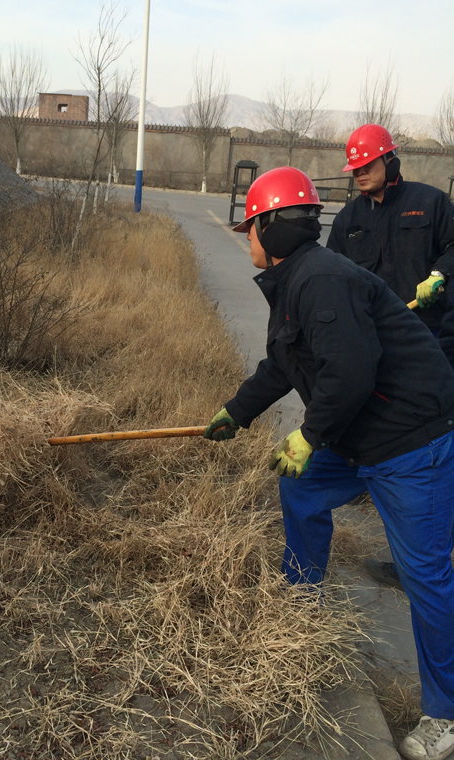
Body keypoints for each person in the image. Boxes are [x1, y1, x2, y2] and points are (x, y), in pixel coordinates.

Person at [205, 166, 454, 760]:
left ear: (273, 226)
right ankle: (301, 603)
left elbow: (351, 372)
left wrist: (308, 435)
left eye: (250, 227)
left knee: (424, 576)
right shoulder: (297, 279)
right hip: (358, 435)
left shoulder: (321, 279)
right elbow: (283, 363)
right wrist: (237, 411)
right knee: (302, 490)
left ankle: (445, 714)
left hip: (412, 443)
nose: (247, 239)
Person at [326, 123, 454, 590]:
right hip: (379, 349)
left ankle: (422, 559)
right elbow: (333, 274)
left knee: (428, 449)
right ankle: (378, 492)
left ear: (389, 159)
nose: (359, 173)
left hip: (431, 343)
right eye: (354, 168)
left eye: (367, 165)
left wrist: (440, 272)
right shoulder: (348, 219)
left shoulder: (430, 203)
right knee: (389, 436)